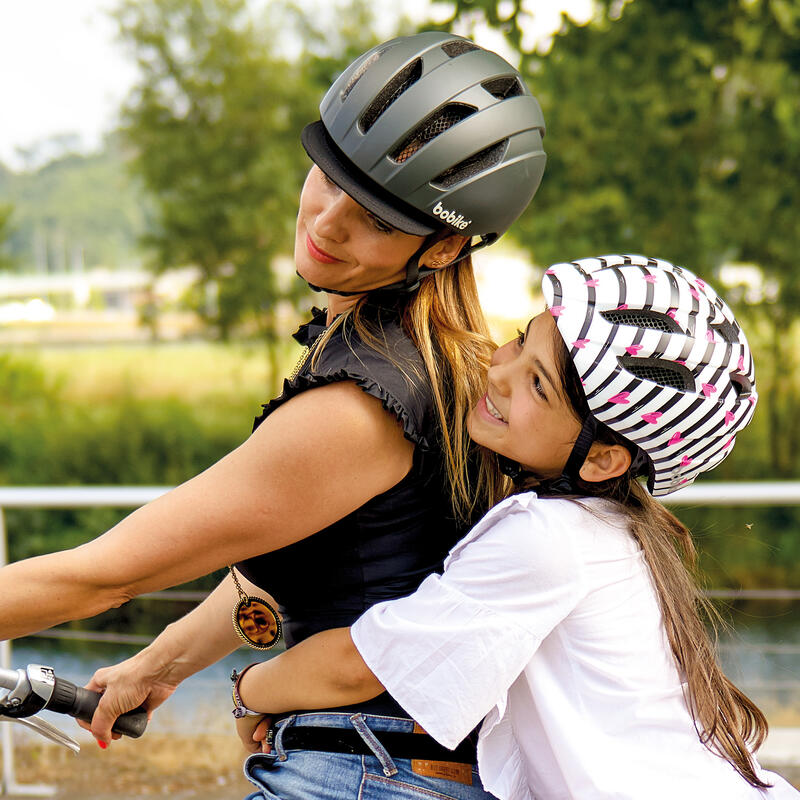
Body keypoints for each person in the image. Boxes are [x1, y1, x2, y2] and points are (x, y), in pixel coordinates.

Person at [0, 31, 546, 800]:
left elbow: (102, 578)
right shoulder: (425, 360)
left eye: (380, 219)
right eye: (329, 177)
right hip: (396, 764)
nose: (328, 223)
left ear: (442, 245)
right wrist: (158, 666)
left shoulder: (362, 403)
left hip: (365, 771)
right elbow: (316, 561)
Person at [229, 255, 800, 800]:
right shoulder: (605, 529)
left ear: (601, 461)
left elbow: (360, 667)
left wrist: (249, 690)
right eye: (524, 340)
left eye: (538, 386)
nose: (500, 371)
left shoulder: (546, 538)